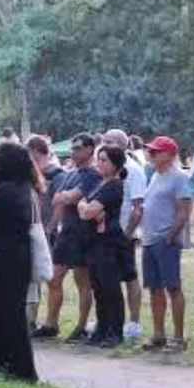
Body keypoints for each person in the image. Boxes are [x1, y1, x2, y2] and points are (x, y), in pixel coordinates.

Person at [33, 133, 100, 342]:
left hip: (84, 233)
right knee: (53, 278)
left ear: (90, 149)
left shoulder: (93, 174)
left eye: (78, 148)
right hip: (67, 232)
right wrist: (66, 198)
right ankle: (51, 323)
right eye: (73, 148)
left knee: (83, 282)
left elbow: (71, 197)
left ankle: (81, 325)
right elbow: (57, 199)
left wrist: (67, 197)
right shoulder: (71, 173)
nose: (74, 152)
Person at [0, 144, 37, 380]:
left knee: (10, 312)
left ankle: (22, 369)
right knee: (1, 308)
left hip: (8, 255)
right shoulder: (25, 188)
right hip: (20, 254)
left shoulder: (2, 191)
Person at [132, 136, 194, 352]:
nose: (150, 154)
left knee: (173, 287)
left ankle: (178, 337)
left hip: (165, 239)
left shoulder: (179, 178)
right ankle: (158, 334)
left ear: (169, 155)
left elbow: (183, 210)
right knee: (154, 288)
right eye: (150, 150)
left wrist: (171, 236)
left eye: (155, 151)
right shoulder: (155, 176)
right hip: (150, 240)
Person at [77, 145, 129, 348]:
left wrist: (87, 208)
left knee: (110, 288)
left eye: (104, 160)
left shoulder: (114, 185)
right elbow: (84, 206)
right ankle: (102, 329)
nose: (99, 163)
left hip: (108, 243)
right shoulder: (100, 184)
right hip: (93, 242)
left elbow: (87, 211)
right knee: (98, 288)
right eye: (99, 159)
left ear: (116, 164)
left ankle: (115, 332)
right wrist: (86, 207)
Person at [101, 129, 147, 340]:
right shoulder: (106, 169)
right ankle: (107, 320)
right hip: (106, 232)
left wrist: (127, 234)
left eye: (109, 141)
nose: (105, 144)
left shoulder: (133, 170)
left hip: (123, 233)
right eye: (104, 141)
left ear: (123, 145)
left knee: (130, 277)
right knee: (107, 279)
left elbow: (138, 208)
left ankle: (134, 323)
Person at [25, 135, 66, 330]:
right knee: (33, 278)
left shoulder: (56, 174)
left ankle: (51, 322)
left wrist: (51, 227)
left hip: (49, 231)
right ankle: (30, 319)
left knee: (51, 278)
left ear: (35, 151)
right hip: (34, 229)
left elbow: (59, 204)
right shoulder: (31, 174)